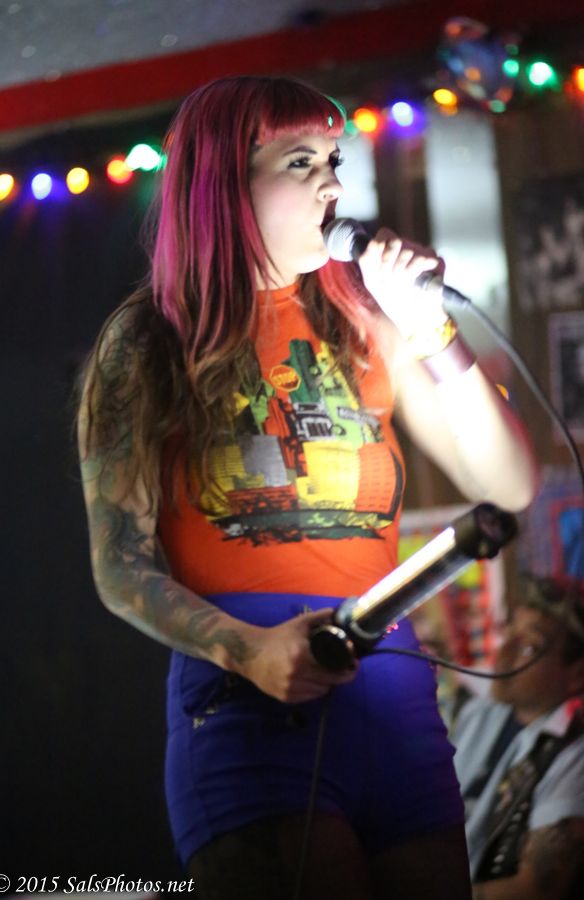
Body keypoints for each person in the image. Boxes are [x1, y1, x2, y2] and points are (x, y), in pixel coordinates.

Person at [78, 76, 538, 900]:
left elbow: (508, 484)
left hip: (396, 697)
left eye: (333, 161)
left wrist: (430, 328)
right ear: (224, 182)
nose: (331, 184)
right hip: (249, 698)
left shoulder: (365, 319)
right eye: (300, 162)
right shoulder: (148, 340)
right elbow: (120, 566)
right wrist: (247, 649)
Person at [452, 574, 584, 899]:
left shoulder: (574, 753)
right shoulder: (480, 713)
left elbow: (537, 889)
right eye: (508, 633)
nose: (503, 652)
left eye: (528, 647)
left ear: (577, 675)